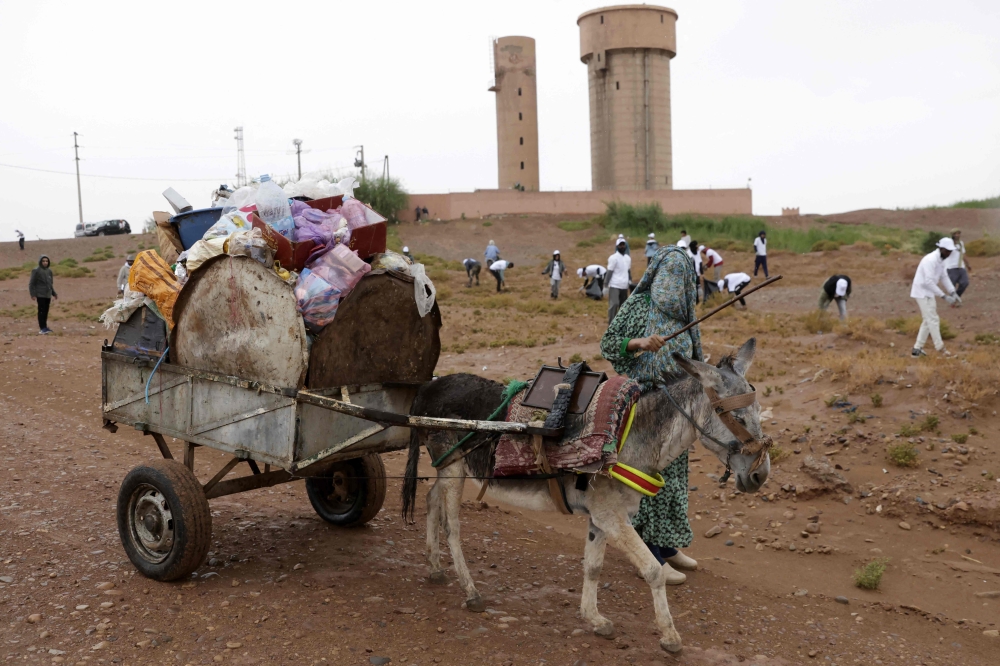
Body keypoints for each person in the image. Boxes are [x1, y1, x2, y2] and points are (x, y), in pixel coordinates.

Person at [599, 243, 703, 582]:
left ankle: (668, 545)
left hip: (678, 412)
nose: (671, 284)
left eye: (679, 276)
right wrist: (641, 343)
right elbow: (609, 342)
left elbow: (697, 358)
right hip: (645, 405)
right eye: (666, 275)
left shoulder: (687, 317)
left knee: (674, 479)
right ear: (654, 275)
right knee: (650, 476)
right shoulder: (640, 305)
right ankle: (651, 553)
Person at [911, 238, 960, 357]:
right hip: (922, 292)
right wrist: (944, 296)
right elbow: (927, 282)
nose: (950, 253)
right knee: (933, 319)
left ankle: (916, 350)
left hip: (929, 292)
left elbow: (944, 276)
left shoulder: (942, 260)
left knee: (928, 320)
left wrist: (953, 292)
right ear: (942, 249)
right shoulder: (930, 260)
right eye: (948, 251)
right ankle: (941, 349)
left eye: (951, 251)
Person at [28, 255, 57, 335]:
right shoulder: (36, 270)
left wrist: (54, 293)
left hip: (48, 295)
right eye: (43, 261)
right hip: (40, 294)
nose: (45, 262)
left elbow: (50, 284)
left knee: (46, 311)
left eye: (46, 261)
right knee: (41, 311)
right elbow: (31, 283)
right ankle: (42, 328)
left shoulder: (49, 271)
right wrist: (32, 294)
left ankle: (45, 327)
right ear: (40, 262)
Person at [606, 239, 632, 323]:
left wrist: (630, 280)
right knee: (614, 304)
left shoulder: (628, 258)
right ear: (617, 246)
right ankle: (611, 324)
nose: (622, 246)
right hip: (615, 285)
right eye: (620, 245)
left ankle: (620, 324)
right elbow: (609, 271)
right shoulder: (613, 258)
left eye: (623, 245)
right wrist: (605, 285)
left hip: (624, 285)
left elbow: (628, 271)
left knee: (623, 306)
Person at [944, 228, 971, 298]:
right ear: (952, 235)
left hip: (961, 266)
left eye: (958, 234)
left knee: (965, 283)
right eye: (955, 234)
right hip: (951, 267)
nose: (957, 235)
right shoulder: (948, 243)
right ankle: (954, 300)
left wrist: (968, 264)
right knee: (952, 285)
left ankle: (956, 297)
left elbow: (963, 254)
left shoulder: (961, 243)